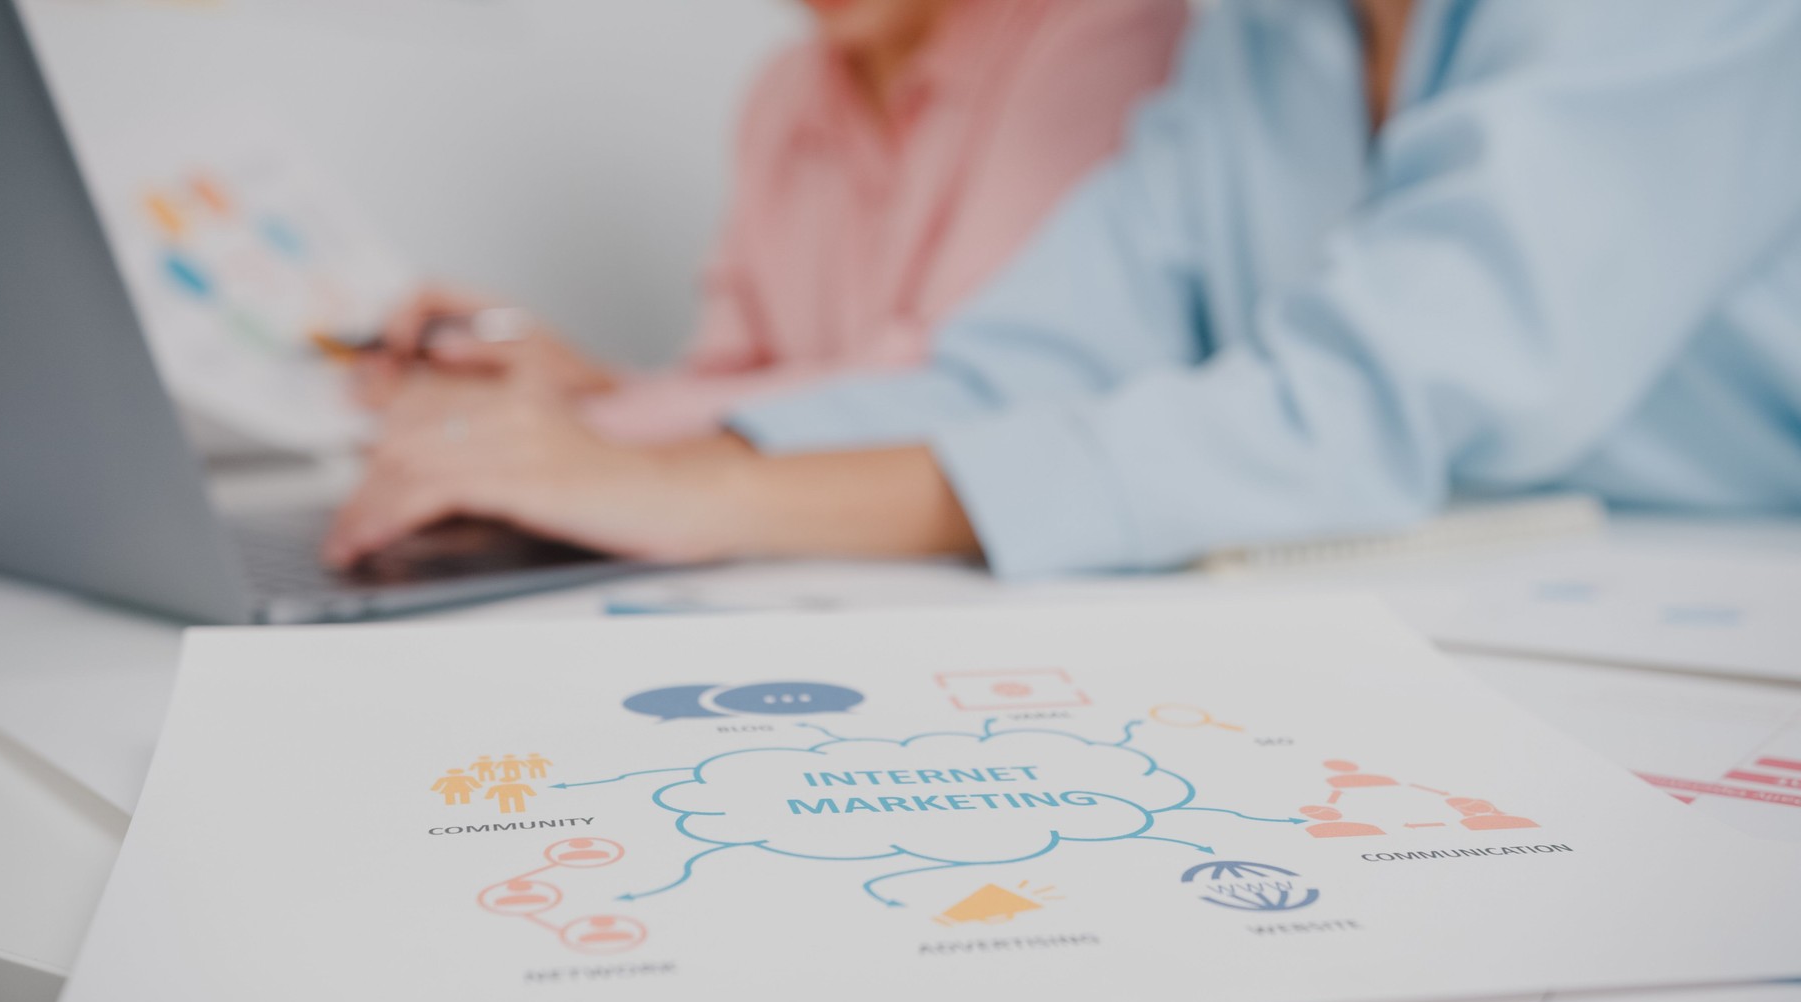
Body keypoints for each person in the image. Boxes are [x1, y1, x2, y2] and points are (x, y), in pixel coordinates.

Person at [324, 0, 1801, 579]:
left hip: (1724, 604)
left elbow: (1350, 412)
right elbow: (1025, 361)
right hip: (1458, 585)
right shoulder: (1259, 33)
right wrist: (598, 467)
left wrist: (705, 497)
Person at [359, 0, 1184, 445]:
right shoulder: (783, 90)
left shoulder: (1100, 26)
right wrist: (576, 386)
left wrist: (596, 426)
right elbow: (732, 381)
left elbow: (971, 385)